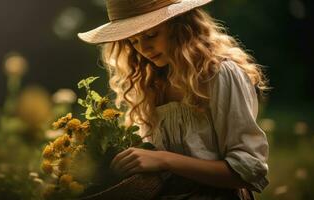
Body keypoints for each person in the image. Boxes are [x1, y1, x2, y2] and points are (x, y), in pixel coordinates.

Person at [78, 0, 270, 199]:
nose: (143, 48)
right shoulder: (150, 85)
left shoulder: (219, 74)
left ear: (180, 26)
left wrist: (164, 160)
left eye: (151, 35)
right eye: (133, 41)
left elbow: (248, 172)